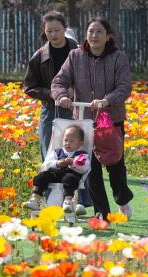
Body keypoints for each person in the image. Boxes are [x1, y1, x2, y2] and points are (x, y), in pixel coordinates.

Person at [51, 17, 133, 220]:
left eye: (99, 32)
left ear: (107, 37)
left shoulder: (118, 57)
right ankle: (101, 213)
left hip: (111, 121)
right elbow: (59, 81)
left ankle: (122, 199)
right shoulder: (75, 56)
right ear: (85, 35)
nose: (94, 36)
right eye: (91, 32)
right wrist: (61, 96)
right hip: (84, 122)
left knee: (115, 168)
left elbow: (124, 87)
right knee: (90, 169)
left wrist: (107, 101)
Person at [23, 11, 90, 215]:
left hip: (74, 109)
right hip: (50, 111)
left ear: (65, 29)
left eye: (57, 30)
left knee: (81, 152)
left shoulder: (79, 52)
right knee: (50, 155)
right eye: (49, 30)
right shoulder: (40, 56)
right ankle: (47, 201)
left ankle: (81, 202)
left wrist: (74, 92)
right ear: (44, 31)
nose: (53, 34)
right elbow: (29, 86)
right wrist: (52, 94)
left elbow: (88, 78)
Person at [23, 125, 91, 213]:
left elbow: (85, 167)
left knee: (70, 178)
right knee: (42, 176)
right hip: (55, 174)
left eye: (72, 141)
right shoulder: (57, 152)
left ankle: (68, 201)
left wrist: (73, 163)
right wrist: (57, 163)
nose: (68, 143)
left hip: (71, 175)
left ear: (80, 143)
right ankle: (35, 199)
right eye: (65, 140)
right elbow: (46, 164)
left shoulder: (81, 155)